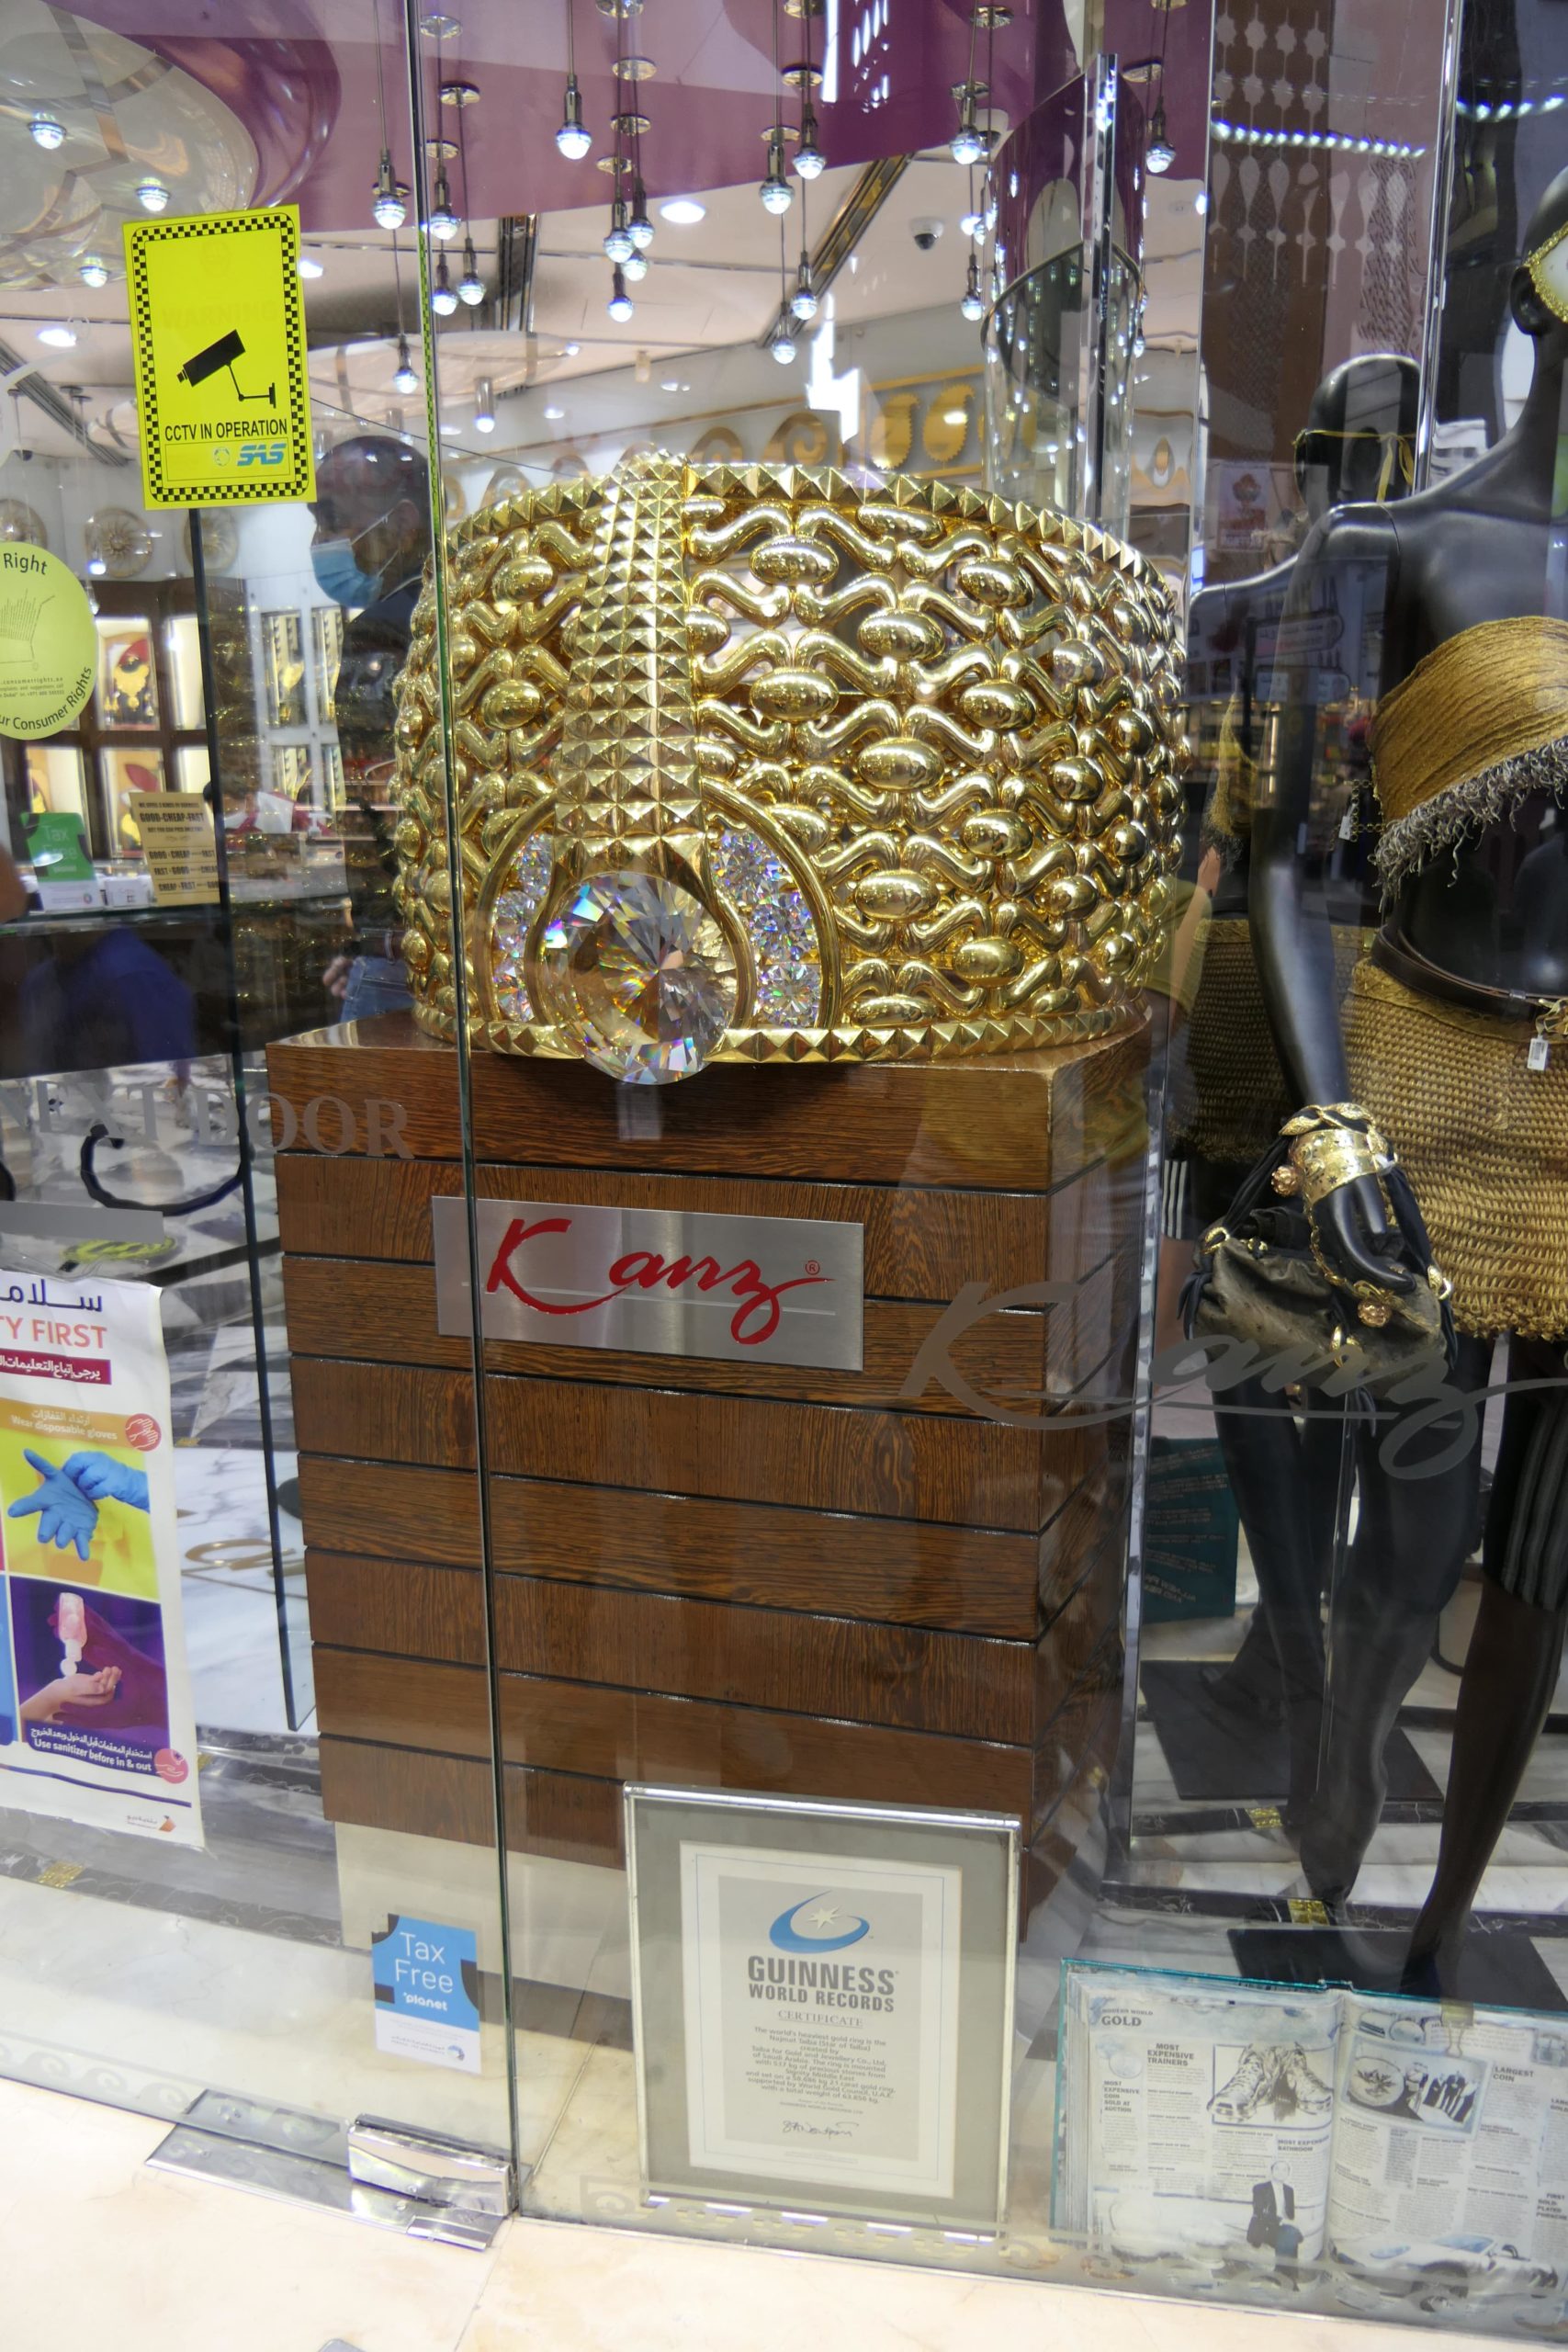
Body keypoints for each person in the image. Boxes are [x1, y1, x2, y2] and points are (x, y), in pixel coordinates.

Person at [308, 433, 433, 1023]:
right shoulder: (464, 609)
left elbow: (379, 807)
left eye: (333, 520)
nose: (321, 542)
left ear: (402, 524)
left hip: (406, 952)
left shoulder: (381, 633)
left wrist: (374, 941)